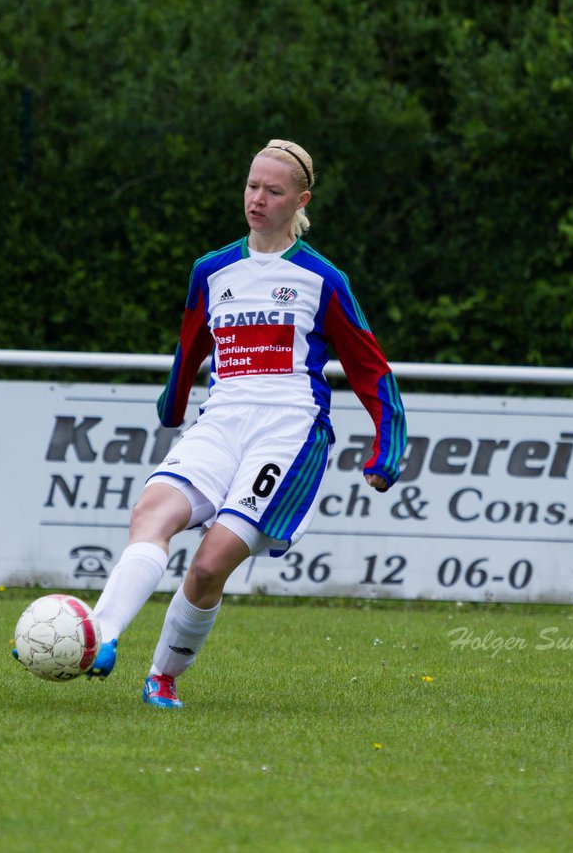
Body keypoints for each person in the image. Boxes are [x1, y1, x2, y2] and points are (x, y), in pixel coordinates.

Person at [87, 139, 406, 708]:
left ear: (300, 200)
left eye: (273, 191)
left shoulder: (322, 278)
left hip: (289, 433)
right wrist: (175, 403)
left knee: (209, 565)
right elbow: (190, 347)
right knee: (150, 512)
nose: (257, 199)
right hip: (221, 421)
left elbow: (371, 369)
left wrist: (387, 451)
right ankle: (96, 636)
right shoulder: (212, 270)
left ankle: (162, 675)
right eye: (252, 186)